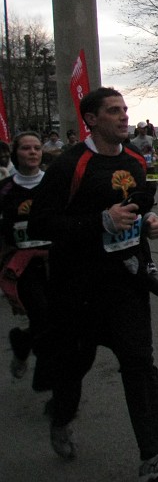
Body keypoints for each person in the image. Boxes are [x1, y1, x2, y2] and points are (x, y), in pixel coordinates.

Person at [27, 87, 158, 479]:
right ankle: (61, 418)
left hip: (126, 284)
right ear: (92, 119)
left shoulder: (134, 161)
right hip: (77, 289)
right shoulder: (70, 166)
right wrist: (99, 222)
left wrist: (149, 224)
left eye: (125, 110)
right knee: (73, 369)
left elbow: (141, 207)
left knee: (140, 363)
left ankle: (155, 455)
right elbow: (40, 224)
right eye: (114, 111)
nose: (123, 116)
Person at [1, 131, 53, 391]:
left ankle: (22, 343)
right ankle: (48, 380)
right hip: (23, 265)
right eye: (26, 148)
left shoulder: (55, 184)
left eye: (36, 148)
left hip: (55, 261)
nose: (32, 152)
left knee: (56, 320)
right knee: (42, 316)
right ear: (16, 154)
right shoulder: (5, 189)